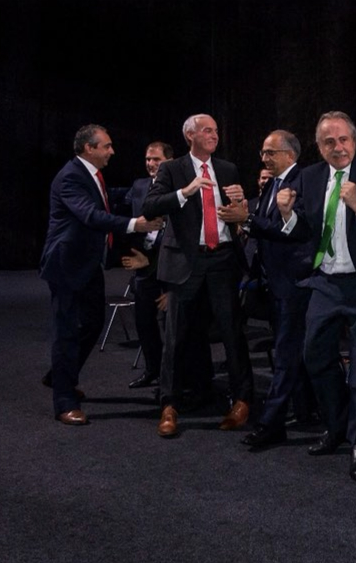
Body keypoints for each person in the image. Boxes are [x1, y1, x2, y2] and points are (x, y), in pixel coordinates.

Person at [281, 111, 356, 481]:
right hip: (326, 283)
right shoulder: (310, 177)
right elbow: (305, 230)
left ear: (355, 141)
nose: (338, 147)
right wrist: (287, 214)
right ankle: (337, 426)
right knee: (314, 357)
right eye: (329, 142)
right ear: (319, 147)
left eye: (344, 139)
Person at [39, 124, 161, 425]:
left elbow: (111, 198)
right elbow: (91, 216)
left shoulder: (92, 175)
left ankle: (60, 375)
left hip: (89, 264)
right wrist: (135, 224)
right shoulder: (70, 177)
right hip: (66, 265)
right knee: (66, 333)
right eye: (106, 146)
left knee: (92, 323)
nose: (112, 151)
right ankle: (64, 401)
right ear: (88, 148)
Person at [142, 113, 253, 439]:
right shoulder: (172, 169)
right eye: (207, 130)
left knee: (233, 332)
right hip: (185, 261)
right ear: (189, 135)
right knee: (176, 335)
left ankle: (243, 400)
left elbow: (237, 215)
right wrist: (185, 192)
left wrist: (239, 210)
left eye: (216, 130)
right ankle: (169, 404)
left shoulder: (228, 168)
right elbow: (150, 206)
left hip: (221, 259)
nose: (214, 135)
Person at [240, 129, 315, 450]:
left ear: (289, 154)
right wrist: (245, 219)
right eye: (263, 153)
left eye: (270, 152)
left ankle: (271, 424)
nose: (264, 158)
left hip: (295, 282)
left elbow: (295, 232)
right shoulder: (271, 183)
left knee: (285, 355)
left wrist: (250, 221)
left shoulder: (301, 182)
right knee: (291, 353)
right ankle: (305, 409)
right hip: (275, 282)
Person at [122, 141, 172, 390]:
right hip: (143, 267)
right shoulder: (139, 186)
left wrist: (151, 261)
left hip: (168, 269)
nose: (151, 164)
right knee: (143, 322)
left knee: (172, 326)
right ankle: (152, 369)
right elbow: (124, 215)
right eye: (148, 159)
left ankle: (171, 378)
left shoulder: (179, 188)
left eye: (156, 160)